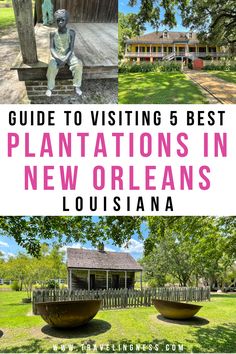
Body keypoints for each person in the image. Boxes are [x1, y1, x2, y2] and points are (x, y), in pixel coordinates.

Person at [46, 9, 83, 97]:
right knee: (52, 66)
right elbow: (51, 48)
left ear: (67, 20)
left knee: (78, 64)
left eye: (63, 20)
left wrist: (65, 59)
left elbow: (71, 49)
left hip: (68, 54)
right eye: (58, 20)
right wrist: (58, 59)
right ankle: (50, 87)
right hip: (56, 55)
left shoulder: (71, 33)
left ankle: (77, 85)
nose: (60, 22)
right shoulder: (53, 33)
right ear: (56, 21)